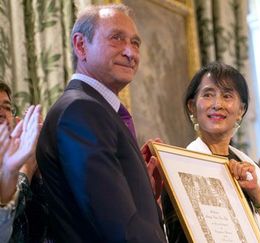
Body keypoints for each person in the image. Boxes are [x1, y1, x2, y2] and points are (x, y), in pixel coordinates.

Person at [35, 4, 165, 242]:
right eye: (117, 38)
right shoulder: (81, 110)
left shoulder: (99, 110)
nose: (131, 53)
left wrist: (144, 191)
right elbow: (119, 229)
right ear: (81, 45)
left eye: (135, 43)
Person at [162, 62, 260, 243]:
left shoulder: (252, 170)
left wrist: (257, 194)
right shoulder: (178, 168)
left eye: (227, 96)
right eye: (208, 95)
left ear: (241, 110)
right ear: (192, 106)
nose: (217, 104)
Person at [0, 82, 43, 242]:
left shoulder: (20, 151)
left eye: (7, 107)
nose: (3, 114)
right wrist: (26, 171)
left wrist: (38, 165)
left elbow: (41, 226)